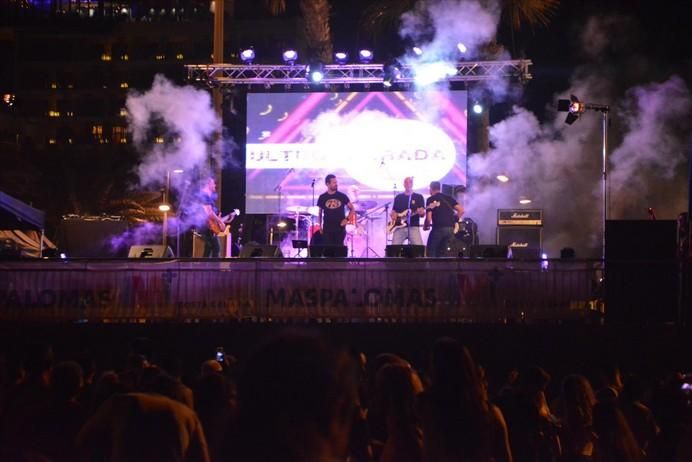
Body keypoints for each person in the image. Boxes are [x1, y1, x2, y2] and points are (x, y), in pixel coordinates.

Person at [423, 181, 464, 257]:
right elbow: (461, 210)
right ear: (439, 188)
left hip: (438, 229)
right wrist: (455, 220)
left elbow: (429, 218)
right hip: (450, 229)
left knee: (431, 251)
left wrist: (426, 226)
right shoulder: (448, 198)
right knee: (446, 253)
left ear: (431, 189)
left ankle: (431, 268)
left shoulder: (430, 199)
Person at [317, 174, 355, 247]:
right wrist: (320, 226)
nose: (336, 184)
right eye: (334, 182)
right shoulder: (322, 197)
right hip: (327, 229)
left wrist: (347, 219)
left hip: (340, 229)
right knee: (328, 253)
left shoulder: (342, 196)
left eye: (336, 182)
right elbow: (320, 213)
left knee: (339, 252)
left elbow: (352, 209)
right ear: (327, 184)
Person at [198, 177, 232, 258]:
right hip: (205, 227)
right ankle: (214, 268)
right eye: (213, 183)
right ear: (208, 184)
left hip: (208, 227)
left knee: (209, 248)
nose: (215, 185)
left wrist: (226, 219)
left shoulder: (207, 197)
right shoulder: (204, 196)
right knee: (216, 248)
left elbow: (212, 217)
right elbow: (209, 213)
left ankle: (205, 268)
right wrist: (220, 221)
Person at [390, 176, 426, 246]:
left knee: (419, 248)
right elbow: (394, 211)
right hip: (399, 228)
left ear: (412, 184)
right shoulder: (398, 197)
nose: (408, 184)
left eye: (410, 182)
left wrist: (421, 212)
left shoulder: (418, 197)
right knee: (394, 248)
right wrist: (393, 214)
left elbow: (422, 215)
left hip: (413, 226)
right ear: (403, 184)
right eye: (406, 182)